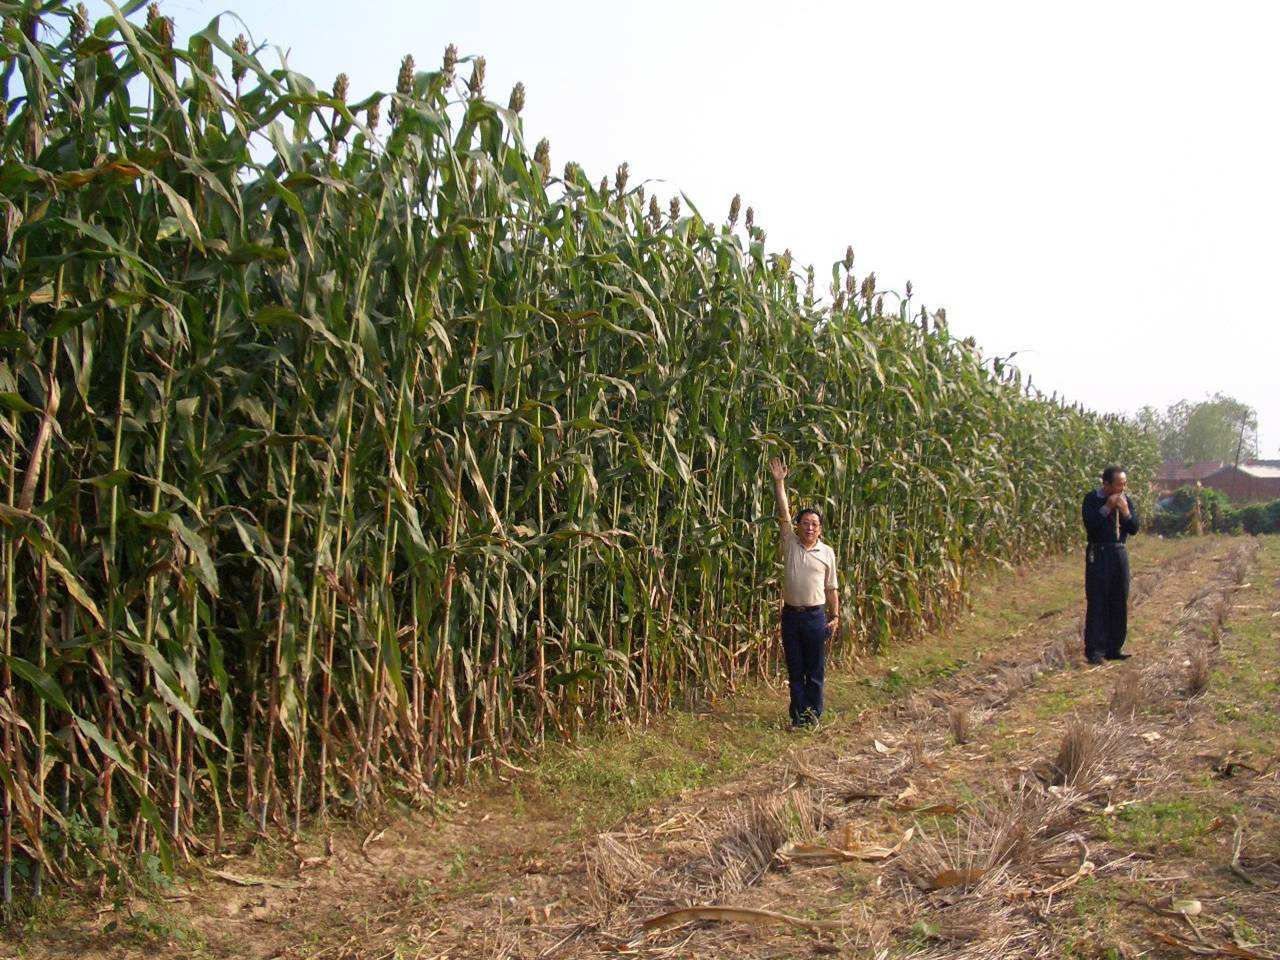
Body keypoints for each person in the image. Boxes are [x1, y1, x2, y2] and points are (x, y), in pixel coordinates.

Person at [768, 458, 840, 727]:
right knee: (795, 669)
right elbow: (783, 513)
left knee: (815, 671)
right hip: (791, 616)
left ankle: (814, 716)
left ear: (820, 529)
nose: (810, 527)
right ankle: (798, 717)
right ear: (798, 526)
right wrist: (779, 482)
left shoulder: (827, 553)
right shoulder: (790, 545)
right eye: (806, 523)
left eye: (815, 524)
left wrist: (835, 615)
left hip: (814, 617)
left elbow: (832, 587)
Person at [1081, 465, 1140, 665]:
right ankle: (1095, 650)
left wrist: (1124, 511)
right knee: (1097, 600)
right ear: (1106, 484)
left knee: (1118, 600)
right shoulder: (1092, 499)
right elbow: (1091, 524)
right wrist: (1107, 507)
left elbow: (1133, 529)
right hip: (1099, 553)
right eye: (1118, 485)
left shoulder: (1126, 501)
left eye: (1124, 484)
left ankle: (1114, 648)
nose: (1122, 489)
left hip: (1119, 552)